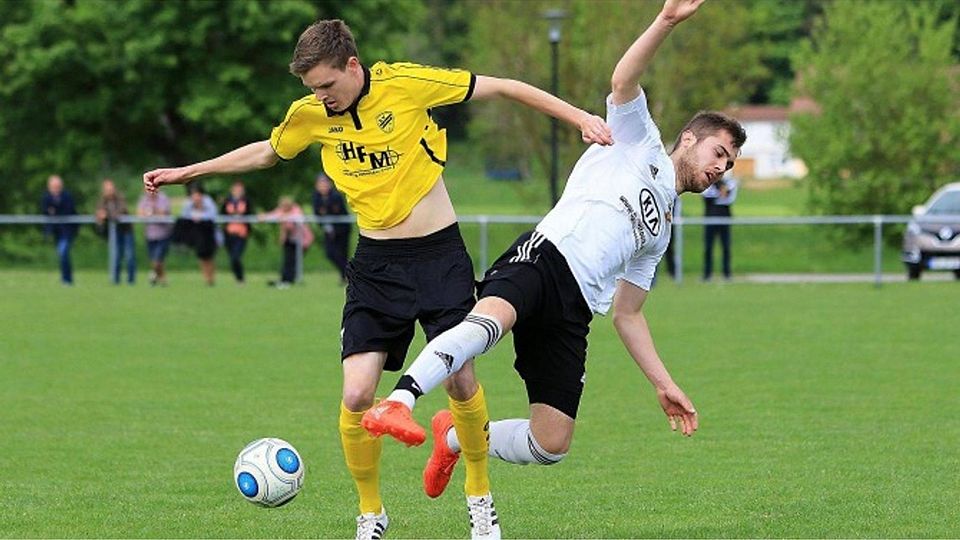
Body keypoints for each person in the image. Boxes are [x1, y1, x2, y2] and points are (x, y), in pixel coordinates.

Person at [142, 18, 611, 540]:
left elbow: (502, 86)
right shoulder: (311, 115)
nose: (320, 98)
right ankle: (372, 515)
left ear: (351, 65)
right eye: (311, 90)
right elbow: (269, 151)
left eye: (326, 85)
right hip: (376, 267)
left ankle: (480, 501)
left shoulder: (404, 85)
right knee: (357, 394)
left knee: (460, 378)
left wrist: (581, 118)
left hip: (439, 256)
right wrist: (189, 172)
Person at [362, 1, 746, 534]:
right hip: (545, 256)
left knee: (551, 444)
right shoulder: (640, 142)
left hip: (575, 310)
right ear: (690, 138)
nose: (720, 168)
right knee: (486, 324)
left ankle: (453, 437)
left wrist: (663, 383)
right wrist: (666, 21)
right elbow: (623, 79)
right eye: (718, 151)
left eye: (728, 164)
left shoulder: (662, 231)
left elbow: (629, 314)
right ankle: (399, 400)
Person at [260, 195, 314, 288]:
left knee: (293, 260)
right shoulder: (281, 211)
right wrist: (263, 217)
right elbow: (274, 215)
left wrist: (284, 216)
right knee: (287, 260)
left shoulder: (296, 210)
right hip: (290, 239)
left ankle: (289, 280)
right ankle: (284, 279)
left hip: (302, 240)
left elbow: (297, 218)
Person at [172, 184, 218, 286]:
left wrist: (201, 216)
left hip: (208, 231)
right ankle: (206, 278)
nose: (195, 197)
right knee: (201, 256)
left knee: (209, 256)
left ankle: (211, 277)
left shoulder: (208, 202)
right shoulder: (189, 204)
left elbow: (213, 216)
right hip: (197, 233)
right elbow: (184, 215)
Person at [95, 178, 136, 285]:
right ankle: (116, 281)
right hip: (115, 232)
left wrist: (106, 215)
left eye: (111, 189)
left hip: (126, 231)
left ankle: (131, 281)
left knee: (129, 256)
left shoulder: (120, 198)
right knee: (116, 256)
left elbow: (120, 212)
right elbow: (99, 214)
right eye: (107, 189)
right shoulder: (102, 201)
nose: (109, 191)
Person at [312, 172, 350, 284]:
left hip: (341, 229)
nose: (322, 186)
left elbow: (336, 212)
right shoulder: (316, 197)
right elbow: (318, 213)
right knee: (330, 253)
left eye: (324, 183)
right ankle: (347, 272)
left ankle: (345, 276)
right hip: (328, 230)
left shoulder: (335, 196)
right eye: (320, 184)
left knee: (342, 253)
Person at [40, 174, 78, 285]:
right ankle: (66, 278)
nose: (56, 188)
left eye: (57, 186)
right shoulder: (46, 197)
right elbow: (45, 210)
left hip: (67, 230)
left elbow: (68, 210)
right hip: (56, 230)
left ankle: (67, 279)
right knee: (62, 254)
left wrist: (54, 211)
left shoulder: (67, 196)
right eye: (53, 186)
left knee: (63, 252)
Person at [702, 172, 738, 281]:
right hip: (710, 219)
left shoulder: (729, 184)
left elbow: (729, 199)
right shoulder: (708, 184)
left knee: (726, 247)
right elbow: (706, 195)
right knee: (708, 248)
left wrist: (724, 191)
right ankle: (707, 274)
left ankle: (727, 273)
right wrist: (720, 192)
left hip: (724, 219)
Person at [137, 190, 174, 286]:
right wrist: (152, 213)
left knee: (157, 259)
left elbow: (164, 214)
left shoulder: (163, 198)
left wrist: (153, 211)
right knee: (155, 259)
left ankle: (153, 275)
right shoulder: (144, 199)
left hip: (163, 234)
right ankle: (163, 279)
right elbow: (140, 214)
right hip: (150, 235)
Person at [221, 180, 254, 284]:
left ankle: (240, 278)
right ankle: (237, 278)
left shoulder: (247, 201)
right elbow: (222, 214)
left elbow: (250, 214)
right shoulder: (227, 201)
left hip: (241, 233)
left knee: (236, 256)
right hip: (229, 232)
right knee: (231, 257)